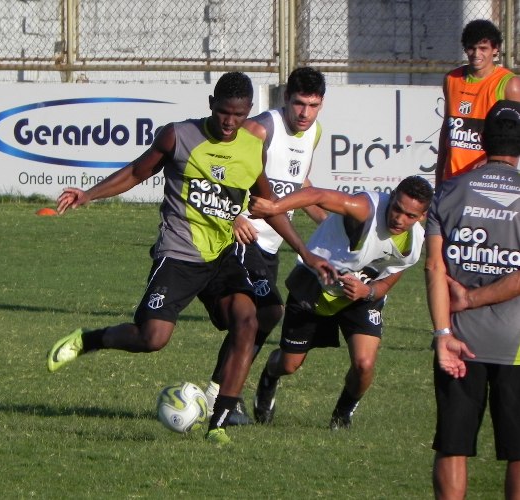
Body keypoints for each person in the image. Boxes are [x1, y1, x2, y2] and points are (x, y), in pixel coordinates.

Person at [45, 72, 334, 446]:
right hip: (179, 253)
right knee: (153, 338)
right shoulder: (178, 135)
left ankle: (220, 421)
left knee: (250, 320)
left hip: (223, 256)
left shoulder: (251, 147)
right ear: (211, 102)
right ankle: (91, 340)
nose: (230, 122)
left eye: (239, 114)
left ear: (248, 111)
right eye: (224, 112)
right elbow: (136, 171)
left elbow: (267, 205)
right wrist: (88, 195)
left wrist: (306, 251)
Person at [249, 175, 434, 428]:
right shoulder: (365, 209)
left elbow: (390, 277)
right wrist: (274, 207)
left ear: (422, 217)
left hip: (359, 297)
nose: (399, 219)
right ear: (391, 199)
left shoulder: (415, 242)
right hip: (315, 284)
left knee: (364, 364)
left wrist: (366, 292)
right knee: (289, 364)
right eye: (397, 209)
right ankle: (270, 376)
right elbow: (318, 195)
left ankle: (342, 415)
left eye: (410, 216)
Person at [203, 67, 329, 425]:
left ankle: (222, 394)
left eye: (313, 105)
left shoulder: (314, 133)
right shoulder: (261, 128)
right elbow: (220, 167)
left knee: (265, 315)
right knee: (264, 313)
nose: (305, 113)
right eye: (299, 104)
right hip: (243, 237)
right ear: (285, 99)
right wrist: (232, 216)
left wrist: (328, 221)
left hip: (271, 242)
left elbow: (297, 182)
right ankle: (221, 397)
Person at [425, 100, 520, 499]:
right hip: (516, 343)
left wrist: (443, 329)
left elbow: (433, 268)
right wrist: (479, 298)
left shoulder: (448, 191)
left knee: (453, 442)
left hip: (458, 342)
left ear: (481, 140)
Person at [435, 19, 520, 186]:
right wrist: (439, 176)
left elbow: (516, 136)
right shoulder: (451, 79)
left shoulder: (510, 84)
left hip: (487, 181)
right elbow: (447, 129)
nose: (476, 54)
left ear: (495, 50)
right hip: (453, 180)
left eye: (483, 48)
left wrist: (491, 161)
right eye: (471, 48)